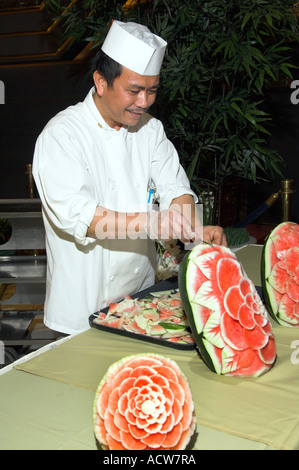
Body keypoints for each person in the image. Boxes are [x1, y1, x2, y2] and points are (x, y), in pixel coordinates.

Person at [33, 20, 226, 335]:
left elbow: (176, 189)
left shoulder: (151, 130)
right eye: (134, 90)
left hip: (141, 304)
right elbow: (84, 218)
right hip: (80, 314)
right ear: (101, 81)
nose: (145, 102)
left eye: (152, 91)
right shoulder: (62, 135)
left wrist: (192, 231)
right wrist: (153, 223)